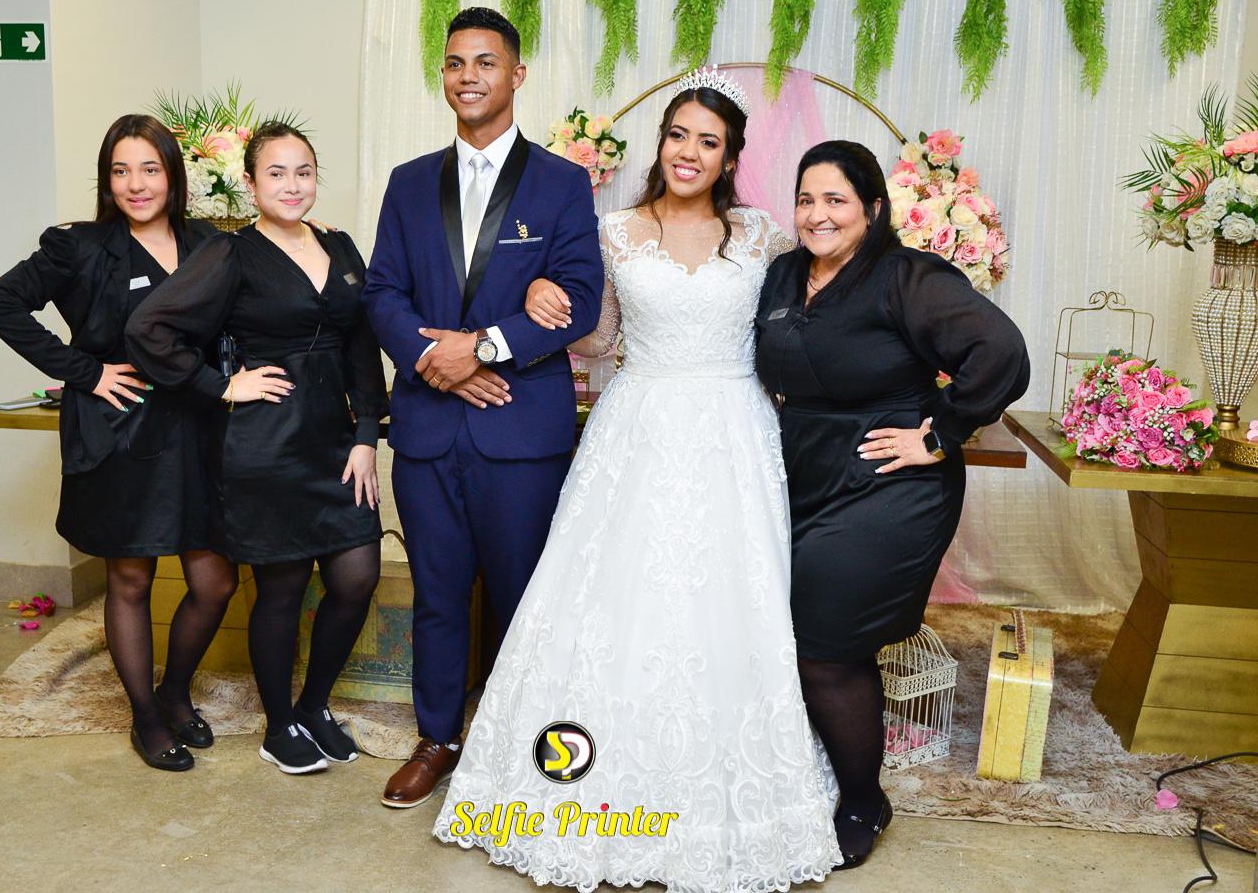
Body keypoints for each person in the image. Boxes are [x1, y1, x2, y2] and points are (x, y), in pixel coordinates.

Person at [433, 68, 844, 890]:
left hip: (733, 432)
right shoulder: (615, 231)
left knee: (731, 600)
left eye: (708, 141)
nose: (689, 152)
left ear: (730, 157)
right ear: (662, 143)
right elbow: (597, 339)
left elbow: (802, 322)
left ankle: (725, 803)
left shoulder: (763, 236)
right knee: (612, 597)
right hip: (639, 425)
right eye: (678, 134)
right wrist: (545, 293)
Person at [755, 140, 1030, 868]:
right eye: (806, 199)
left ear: (874, 208)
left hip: (890, 484)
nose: (817, 215)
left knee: (824, 645)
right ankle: (808, 770)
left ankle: (861, 800)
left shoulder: (907, 277)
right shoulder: (782, 274)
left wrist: (937, 434)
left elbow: (1001, 351)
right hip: (802, 475)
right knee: (784, 629)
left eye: (836, 199)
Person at [361, 7, 605, 809]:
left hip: (521, 432)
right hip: (428, 430)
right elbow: (382, 293)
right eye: (456, 63)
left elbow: (579, 300)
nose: (469, 76)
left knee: (522, 597)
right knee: (436, 595)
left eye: (486, 62)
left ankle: (515, 744)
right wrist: (439, 362)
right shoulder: (407, 182)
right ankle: (437, 738)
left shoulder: (562, 183)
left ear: (517, 74)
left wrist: (486, 347)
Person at [0, 114, 237, 772]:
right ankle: (145, 716)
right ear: (106, 180)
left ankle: (174, 691)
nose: (135, 184)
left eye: (149, 168)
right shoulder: (81, 247)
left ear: (173, 175)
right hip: (121, 431)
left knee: (215, 581)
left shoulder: (208, 241)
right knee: (131, 577)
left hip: (198, 430)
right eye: (120, 171)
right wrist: (85, 372)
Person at [125, 123, 388, 776]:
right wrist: (221, 385)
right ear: (250, 183)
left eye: (304, 171)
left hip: (336, 443)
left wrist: (366, 436)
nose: (292, 185)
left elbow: (361, 343)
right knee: (283, 590)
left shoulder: (339, 244)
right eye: (276, 173)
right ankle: (280, 724)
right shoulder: (230, 253)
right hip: (267, 445)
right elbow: (148, 327)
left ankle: (315, 706)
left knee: (356, 577)